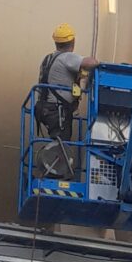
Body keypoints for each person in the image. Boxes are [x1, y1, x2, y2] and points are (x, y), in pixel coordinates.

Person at [33, 24, 91, 177]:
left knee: (58, 141)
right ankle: (56, 174)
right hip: (57, 110)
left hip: (44, 108)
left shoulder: (48, 59)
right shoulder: (67, 57)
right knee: (62, 143)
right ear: (72, 42)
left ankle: (51, 170)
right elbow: (91, 62)